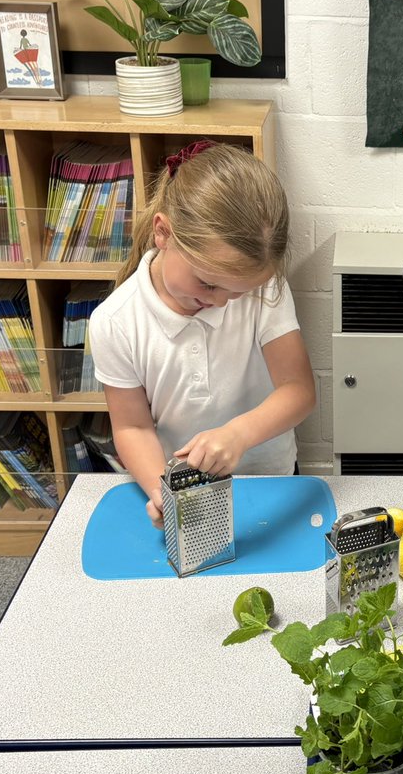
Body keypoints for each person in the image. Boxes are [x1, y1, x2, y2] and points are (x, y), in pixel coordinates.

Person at [89, 141, 316, 527]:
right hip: (188, 489)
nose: (224, 302)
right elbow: (132, 427)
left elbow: (299, 391)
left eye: (238, 292)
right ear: (163, 233)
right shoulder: (115, 321)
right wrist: (164, 490)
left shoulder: (266, 289)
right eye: (209, 284)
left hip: (271, 477)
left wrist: (239, 434)